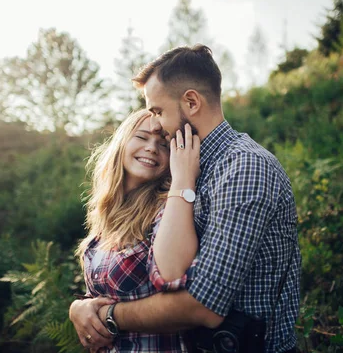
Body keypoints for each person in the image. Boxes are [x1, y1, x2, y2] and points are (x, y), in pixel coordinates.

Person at [71, 45, 301, 353]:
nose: (159, 129)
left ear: (191, 101)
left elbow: (203, 305)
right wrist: (80, 307)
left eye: (158, 112)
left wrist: (108, 315)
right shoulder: (189, 166)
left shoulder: (244, 168)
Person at [71, 109, 203, 352]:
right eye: (142, 138)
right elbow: (102, 294)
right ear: (122, 143)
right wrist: (79, 308)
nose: (152, 148)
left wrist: (184, 177)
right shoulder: (107, 213)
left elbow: (175, 281)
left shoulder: (169, 208)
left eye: (163, 144)